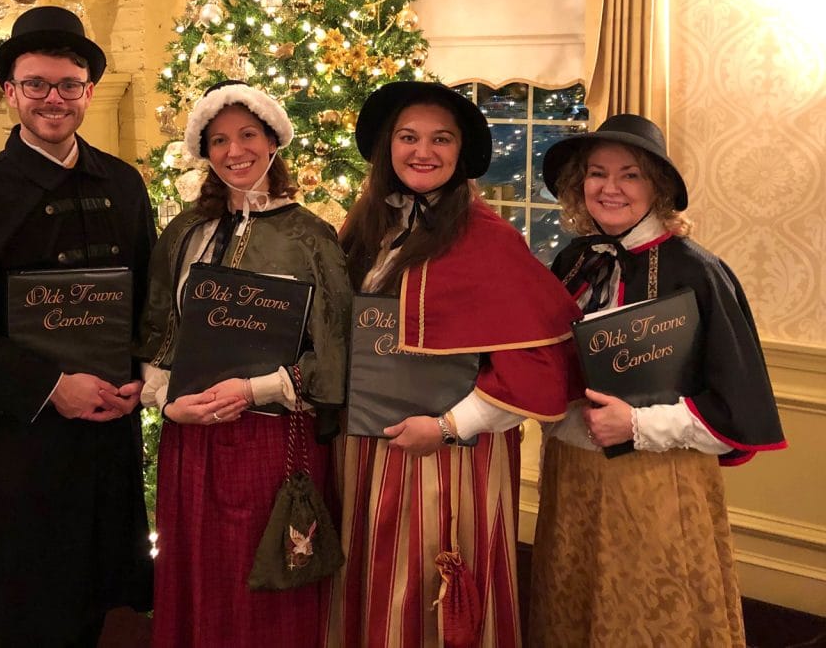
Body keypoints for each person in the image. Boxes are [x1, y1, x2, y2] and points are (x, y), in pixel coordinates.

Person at [0, 6, 156, 648]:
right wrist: (52, 387)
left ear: (88, 91)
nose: (54, 100)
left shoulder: (125, 185)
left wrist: (139, 377)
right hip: (14, 441)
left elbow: (147, 303)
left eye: (68, 85)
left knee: (92, 592)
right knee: (31, 600)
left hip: (106, 428)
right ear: (10, 92)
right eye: (36, 85)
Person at [328, 81, 583, 648]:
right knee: (367, 573)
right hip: (368, 444)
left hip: (447, 454)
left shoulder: (487, 238)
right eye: (409, 137)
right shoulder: (369, 226)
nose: (424, 151)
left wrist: (448, 428)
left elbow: (535, 359)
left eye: (441, 139)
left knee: (426, 586)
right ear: (386, 147)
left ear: (461, 152)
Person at [528, 113, 787, 647]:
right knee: (570, 606)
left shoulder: (697, 270)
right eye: (597, 174)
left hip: (657, 481)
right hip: (571, 472)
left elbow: (737, 409)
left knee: (644, 616)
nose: (610, 188)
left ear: (658, 187)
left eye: (630, 175)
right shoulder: (574, 260)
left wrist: (638, 424)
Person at [137, 80, 351, 647]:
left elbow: (334, 353)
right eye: (219, 140)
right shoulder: (185, 231)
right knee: (199, 572)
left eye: (248, 135)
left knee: (266, 584)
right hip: (192, 436)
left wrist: (254, 391)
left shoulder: (311, 238)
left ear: (273, 141)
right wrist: (165, 401)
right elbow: (161, 331)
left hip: (273, 441)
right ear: (204, 152)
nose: (236, 151)